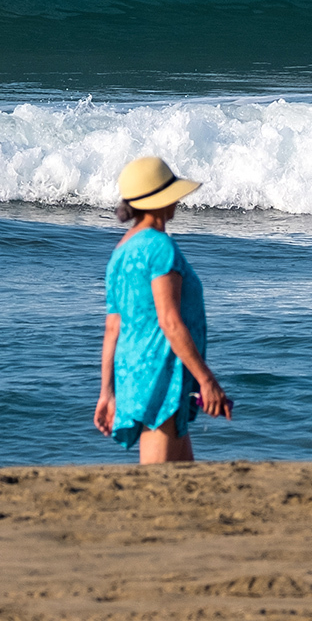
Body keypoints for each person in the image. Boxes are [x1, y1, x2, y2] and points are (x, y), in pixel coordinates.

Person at [94, 155, 233, 463]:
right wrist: (207, 380)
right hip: (161, 372)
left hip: (133, 372)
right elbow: (170, 322)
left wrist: (108, 392)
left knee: (183, 480)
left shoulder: (121, 252)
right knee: (156, 487)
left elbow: (112, 329)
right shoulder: (160, 247)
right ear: (158, 201)